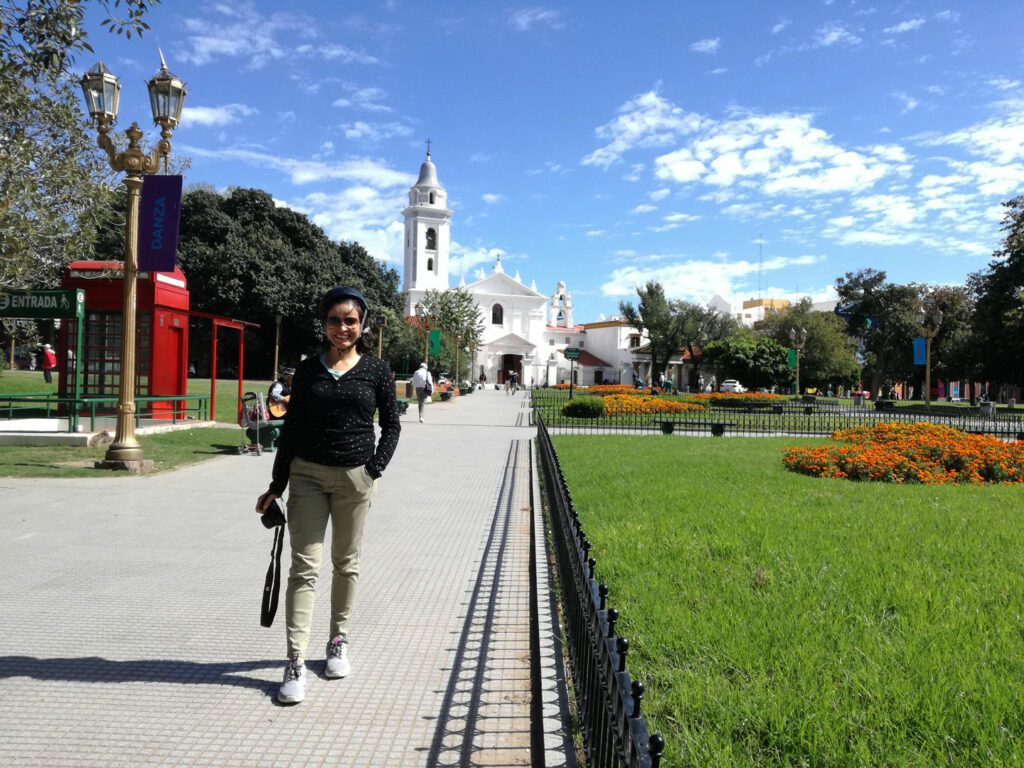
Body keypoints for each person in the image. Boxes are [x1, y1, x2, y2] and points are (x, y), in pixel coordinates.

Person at [255, 286, 401, 705]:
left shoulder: (377, 371)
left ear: (362, 325)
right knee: (303, 568)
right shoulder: (308, 371)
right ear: (324, 324)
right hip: (308, 477)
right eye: (335, 319)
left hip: (356, 479)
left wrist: (373, 470)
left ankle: (338, 640)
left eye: (350, 320)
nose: (343, 327)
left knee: (346, 564)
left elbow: (391, 426)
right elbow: (292, 430)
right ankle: (295, 660)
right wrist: (275, 486)